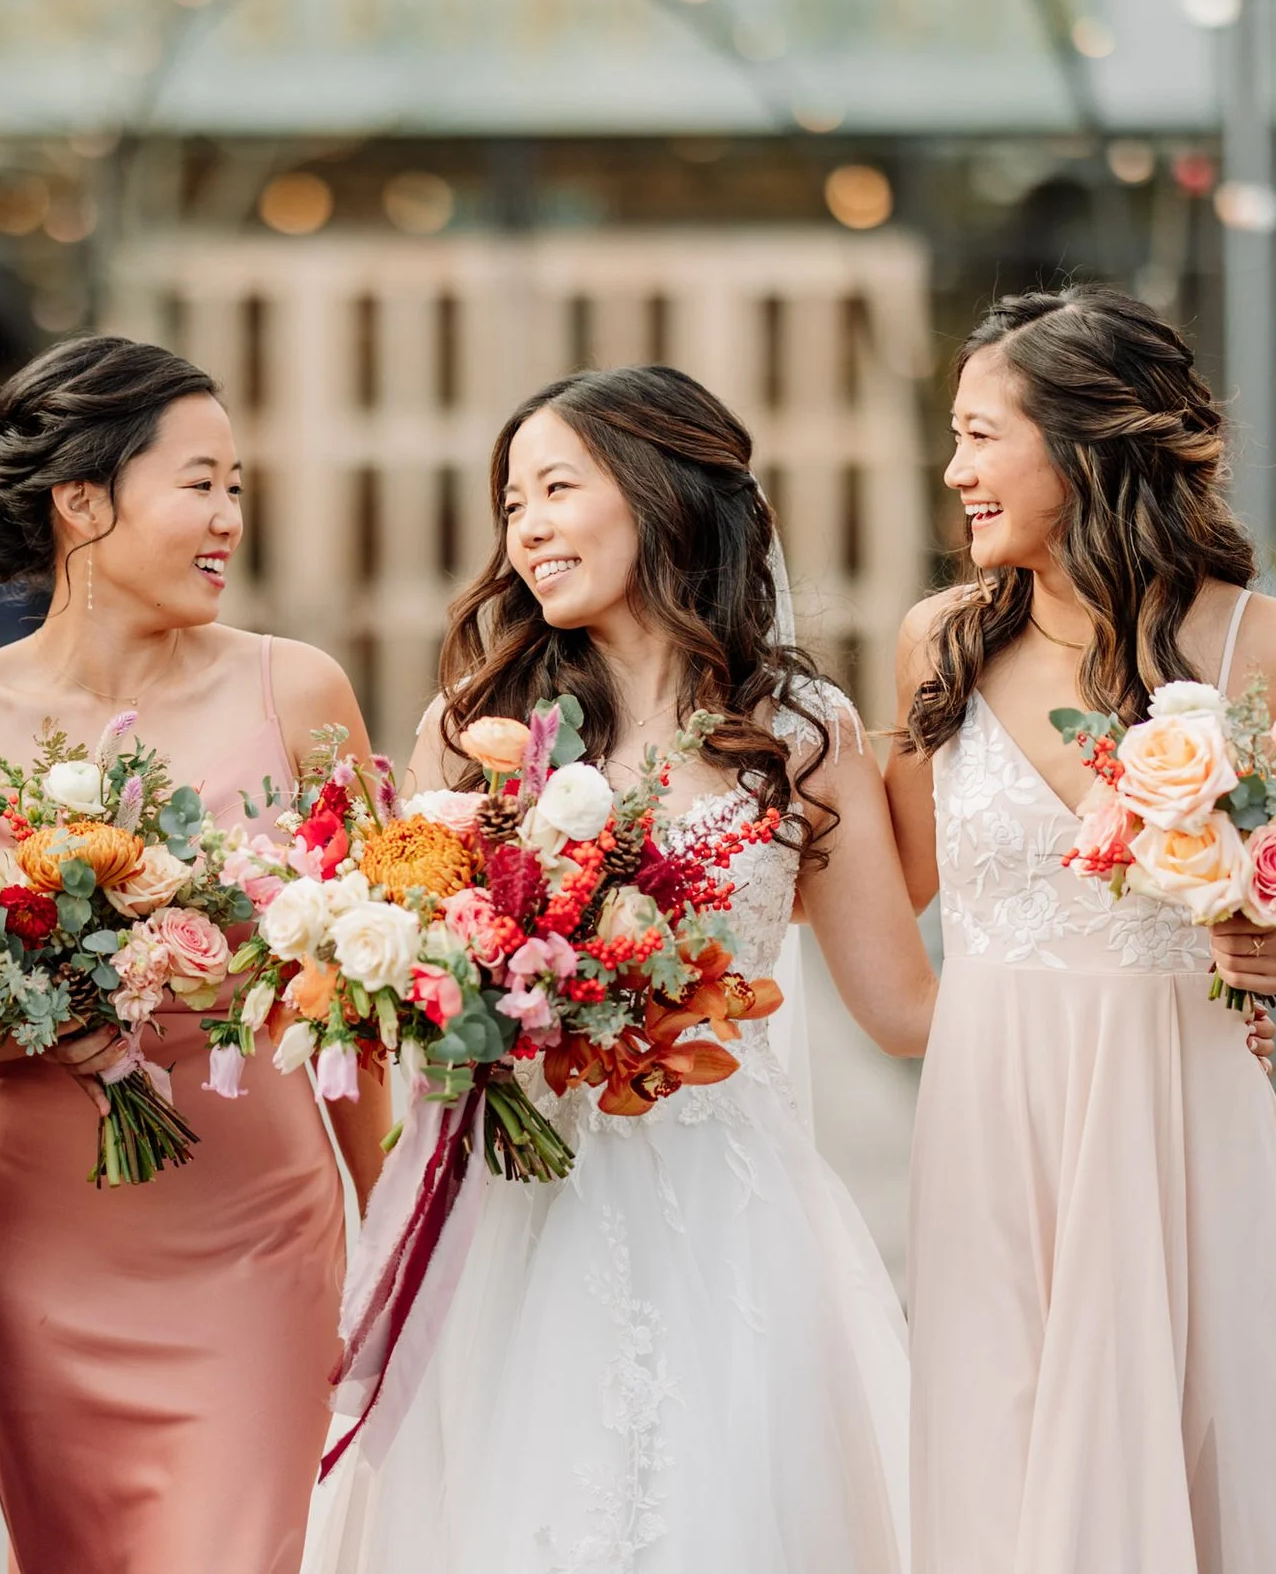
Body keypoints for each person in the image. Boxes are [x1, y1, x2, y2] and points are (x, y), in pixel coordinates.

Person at [307, 364, 936, 1574]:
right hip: (518, 1203)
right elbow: (411, 981)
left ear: (661, 493)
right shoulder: (473, 725)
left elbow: (902, 1006)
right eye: (509, 503)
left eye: (555, 486)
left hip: (730, 1211)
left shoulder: (799, 733)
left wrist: (1113, 997)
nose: (526, 525)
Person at [889, 286, 1276, 1574]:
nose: (956, 471)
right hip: (992, 1126)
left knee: (1213, 1465)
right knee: (998, 1467)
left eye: (981, 435)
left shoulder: (1265, 647)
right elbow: (888, 889)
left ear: (1085, 443)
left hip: (1180, 1115)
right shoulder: (935, 644)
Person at [0, 335, 389, 1574]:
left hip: (264, 1234)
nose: (226, 517)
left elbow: (373, 995)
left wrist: (395, 1234)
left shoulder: (302, 690)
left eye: (236, 488)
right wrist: (57, 995)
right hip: (47, 1256)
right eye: (198, 483)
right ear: (82, 502)